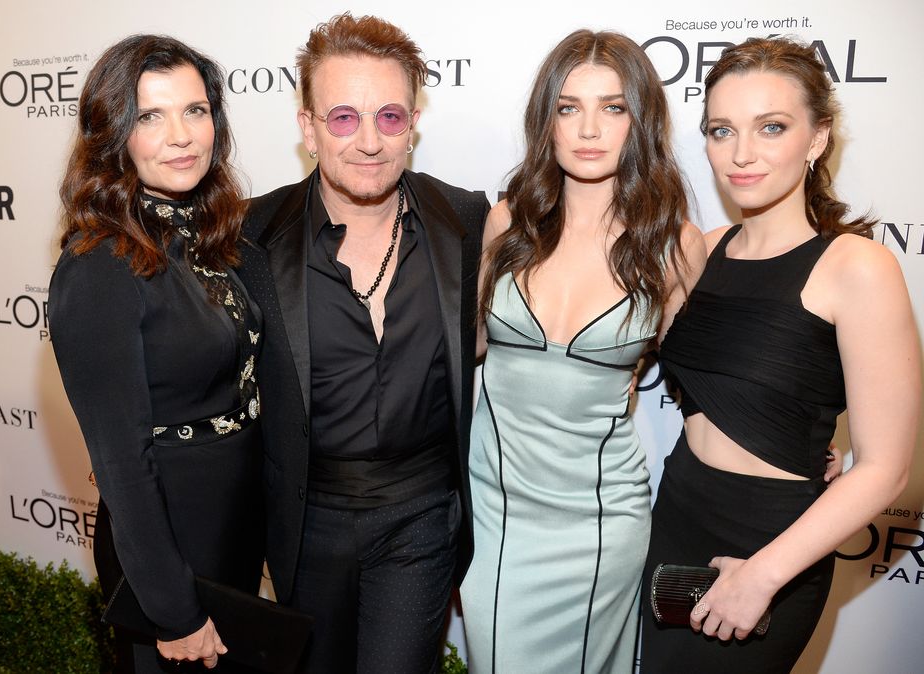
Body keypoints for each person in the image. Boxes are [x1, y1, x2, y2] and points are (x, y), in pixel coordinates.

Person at [641, 36, 920, 673]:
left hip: (772, 545)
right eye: (721, 130)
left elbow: (885, 470)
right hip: (678, 513)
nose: (741, 155)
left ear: (818, 137)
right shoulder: (701, 250)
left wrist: (764, 576)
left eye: (772, 127)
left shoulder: (857, 267)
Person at [236, 13, 488, 674]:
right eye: (344, 117)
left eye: (390, 117)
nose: (369, 142)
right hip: (304, 519)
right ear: (308, 126)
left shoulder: (466, 221)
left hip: (422, 516)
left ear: (413, 123)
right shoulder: (252, 236)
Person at [460, 29, 704, 674]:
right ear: (548, 121)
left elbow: (707, 380)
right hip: (495, 514)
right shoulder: (507, 223)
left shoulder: (674, 245)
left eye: (613, 107)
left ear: (640, 121)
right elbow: (463, 355)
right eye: (569, 108)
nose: (589, 128)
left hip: (599, 525)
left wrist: (796, 448)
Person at [49, 35, 263, 672]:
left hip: (230, 528)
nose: (182, 135)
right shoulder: (98, 266)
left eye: (196, 111)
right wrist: (172, 606)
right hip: (168, 545)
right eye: (151, 116)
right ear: (114, 132)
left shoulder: (204, 232)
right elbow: (121, 464)